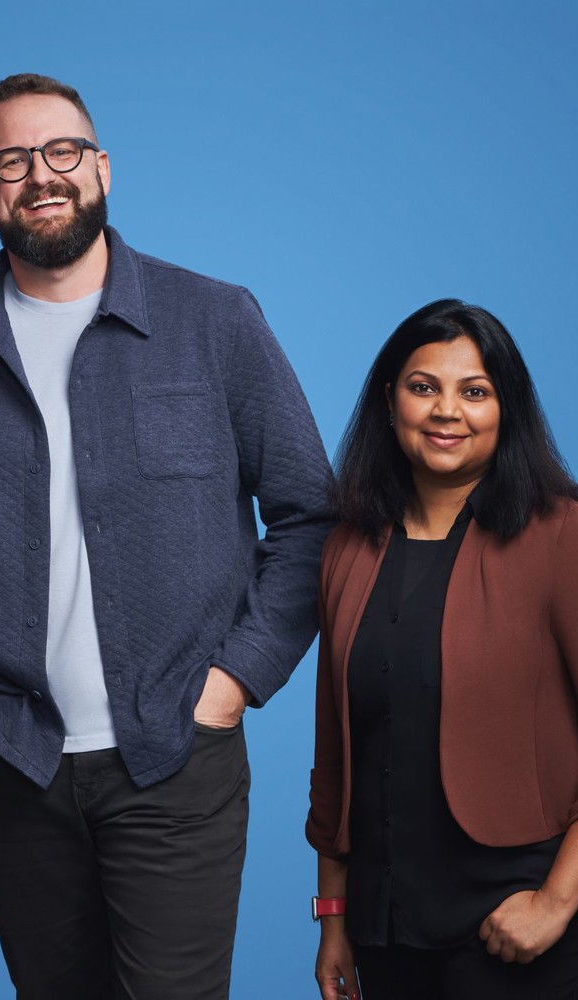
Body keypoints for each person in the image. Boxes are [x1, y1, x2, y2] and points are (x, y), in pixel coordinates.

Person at [0, 72, 332, 999]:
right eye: (11, 160)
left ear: (102, 168)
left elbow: (310, 514)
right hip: (9, 763)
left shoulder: (214, 320)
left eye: (63, 151)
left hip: (176, 758)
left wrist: (235, 682)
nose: (42, 175)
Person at [307, 299, 578, 1000]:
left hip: (516, 919)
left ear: (506, 409)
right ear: (391, 402)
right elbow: (339, 751)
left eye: (475, 391)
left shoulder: (560, 536)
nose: (446, 411)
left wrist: (555, 903)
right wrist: (332, 918)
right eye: (423, 387)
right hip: (383, 920)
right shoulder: (348, 546)